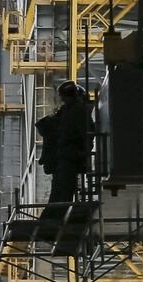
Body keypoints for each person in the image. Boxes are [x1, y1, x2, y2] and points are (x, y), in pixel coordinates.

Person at [34, 81, 93, 213]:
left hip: (63, 159)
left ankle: (49, 221)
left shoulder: (64, 114)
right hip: (68, 159)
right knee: (62, 196)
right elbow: (86, 133)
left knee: (60, 195)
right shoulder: (76, 111)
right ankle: (50, 223)